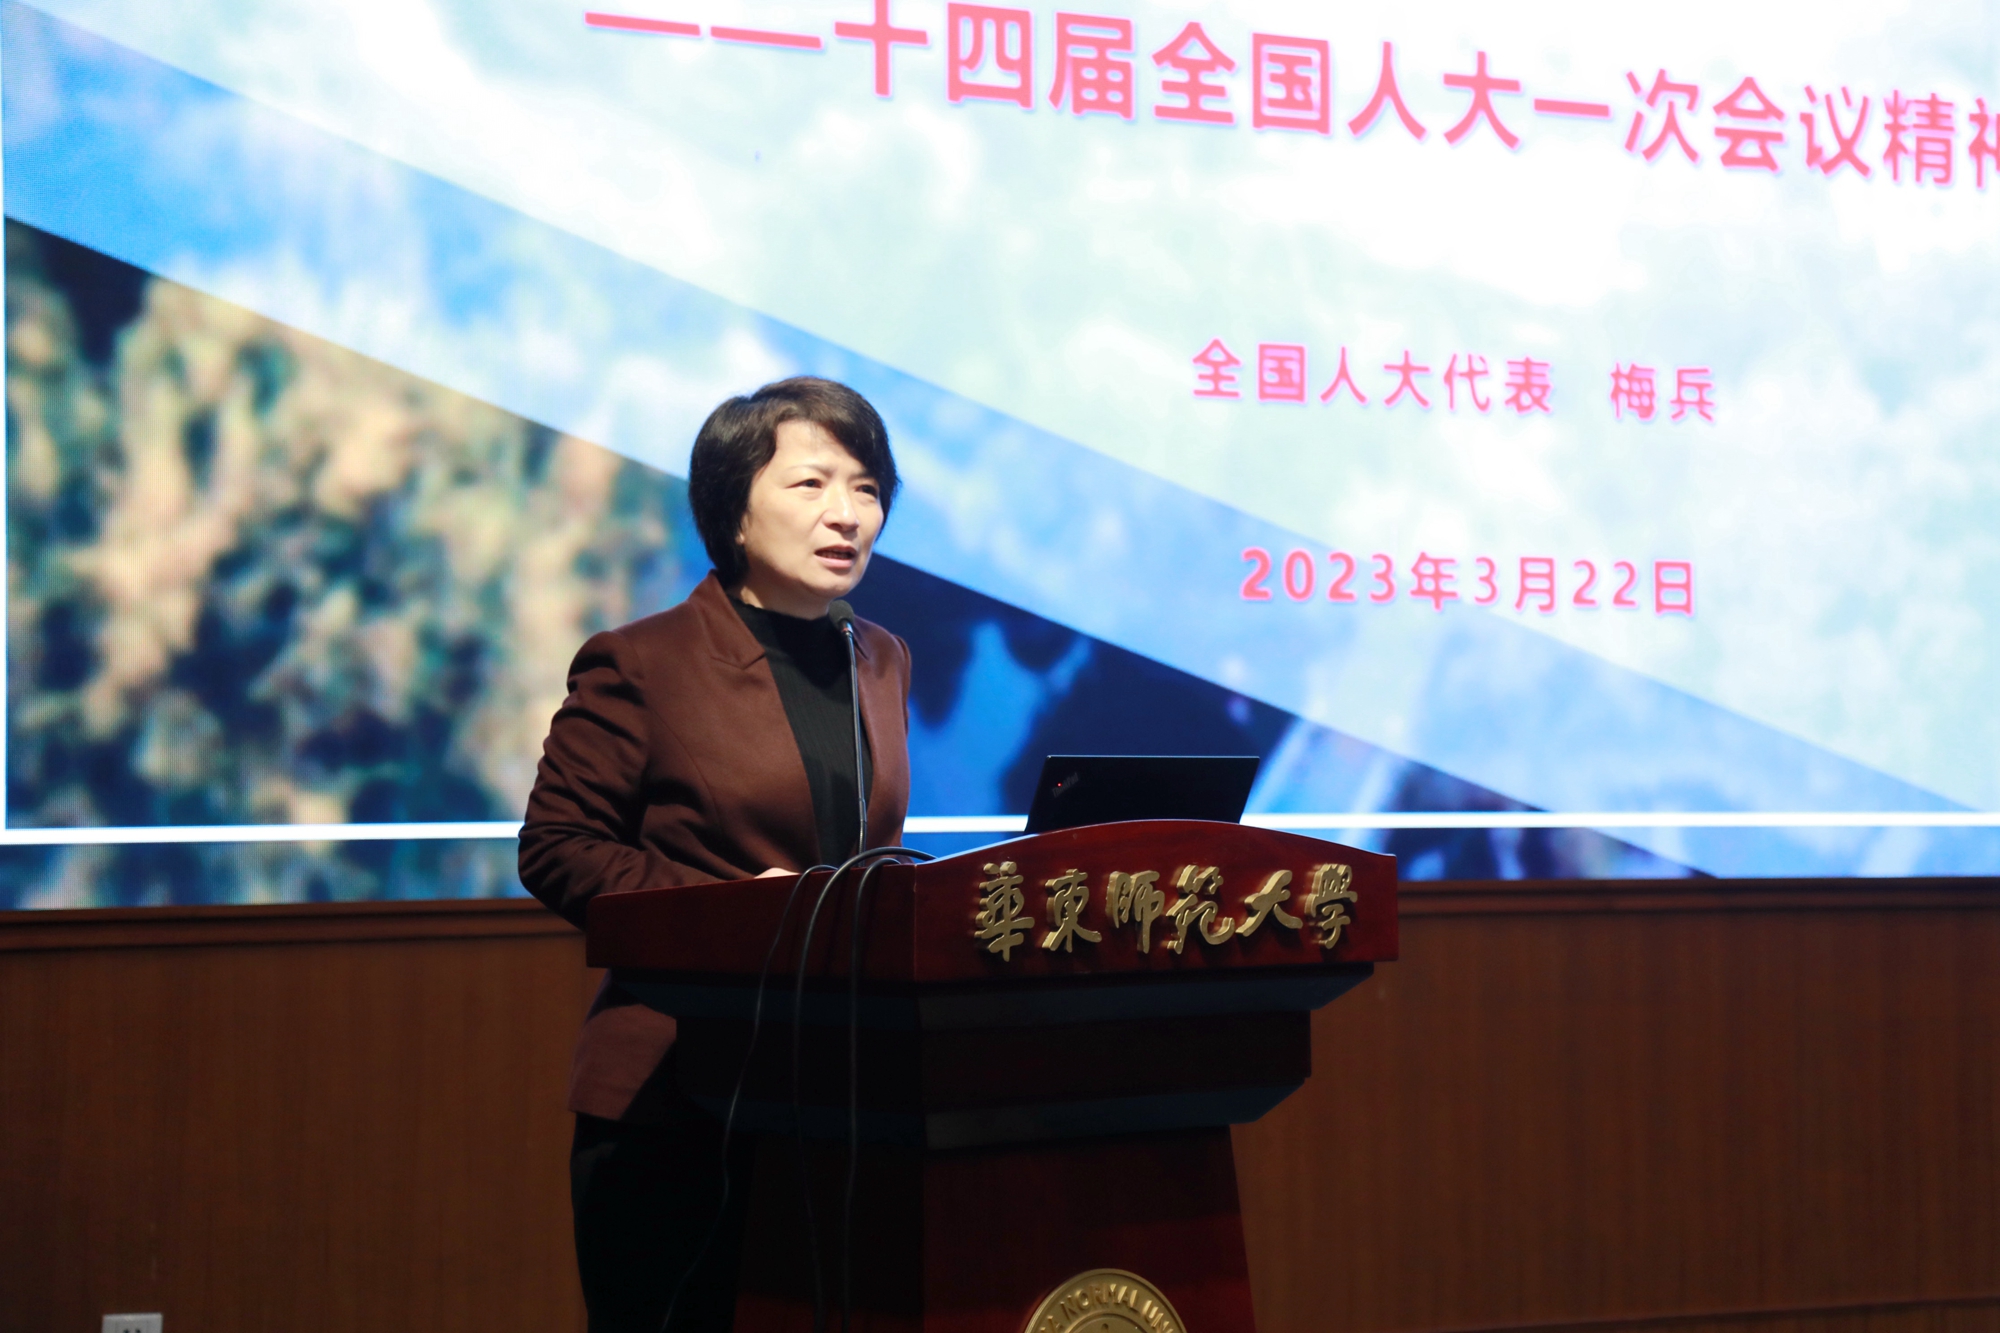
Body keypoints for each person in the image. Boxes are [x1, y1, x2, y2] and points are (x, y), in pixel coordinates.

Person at [518, 377, 911, 1333]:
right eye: (811, 484)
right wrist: (725, 915)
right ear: (734, 510)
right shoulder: (641, 660)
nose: (847, 514)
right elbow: (557, 848)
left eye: (866, 489)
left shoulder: (881, 658)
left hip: (840, 1096)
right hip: (678, 1099)